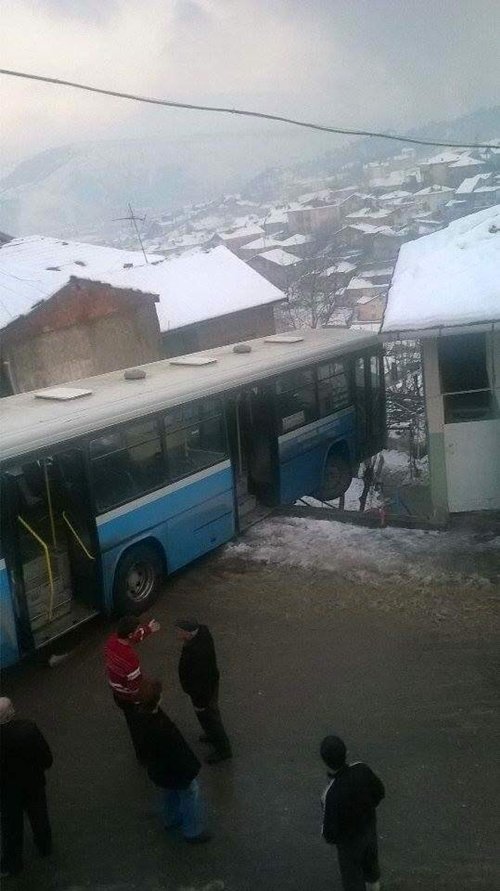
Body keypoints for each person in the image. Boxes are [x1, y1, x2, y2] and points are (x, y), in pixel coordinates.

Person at [138, 680, 210, 843]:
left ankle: (171, 819)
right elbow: (176, 753)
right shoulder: (161, 727)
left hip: (160, 771)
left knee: (169, 793)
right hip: (176, 772)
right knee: (190, 794)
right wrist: (190, 771)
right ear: (158, 699)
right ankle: (192, 832)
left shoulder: (142, 718)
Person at [320, 735, 385, 891]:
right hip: (368, 828)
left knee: (352, 875)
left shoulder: (330, 794)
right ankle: (375, 887)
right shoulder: (362, 769)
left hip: (348, 843)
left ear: (325, 761)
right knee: (371, 861)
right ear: (346, 752)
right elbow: (380, 791)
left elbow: (329, 832)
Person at [0, 697, 53, 878]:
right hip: (33, 783)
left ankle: (12, 863)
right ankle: (45, 847)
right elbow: (46, 757)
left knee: (11, 825)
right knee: (39, 815)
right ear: (11, 712)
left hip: (7, 791)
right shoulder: (28, 729)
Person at [104, 614, 160, 762]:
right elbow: (135, 687)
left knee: (132, 723)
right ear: (129, 634)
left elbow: (132, 638)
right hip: (129, 698)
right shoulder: (130, 658)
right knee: (138, 727)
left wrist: (147, 630)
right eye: (137, 629)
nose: (138, 631)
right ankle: (144, 756)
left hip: (117, 693)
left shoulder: (112, 641)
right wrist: (140, 702)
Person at [175, 619, 232, 764]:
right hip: (209, 686)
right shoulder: (202, 634)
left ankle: (223, 749)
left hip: (202, 693)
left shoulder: (196, 652)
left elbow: (201, 679)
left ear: (188, 633)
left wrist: (200, 702)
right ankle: (211, 735)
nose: (177, 633)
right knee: (210, 716)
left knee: (210, 718)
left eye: (180, 631)